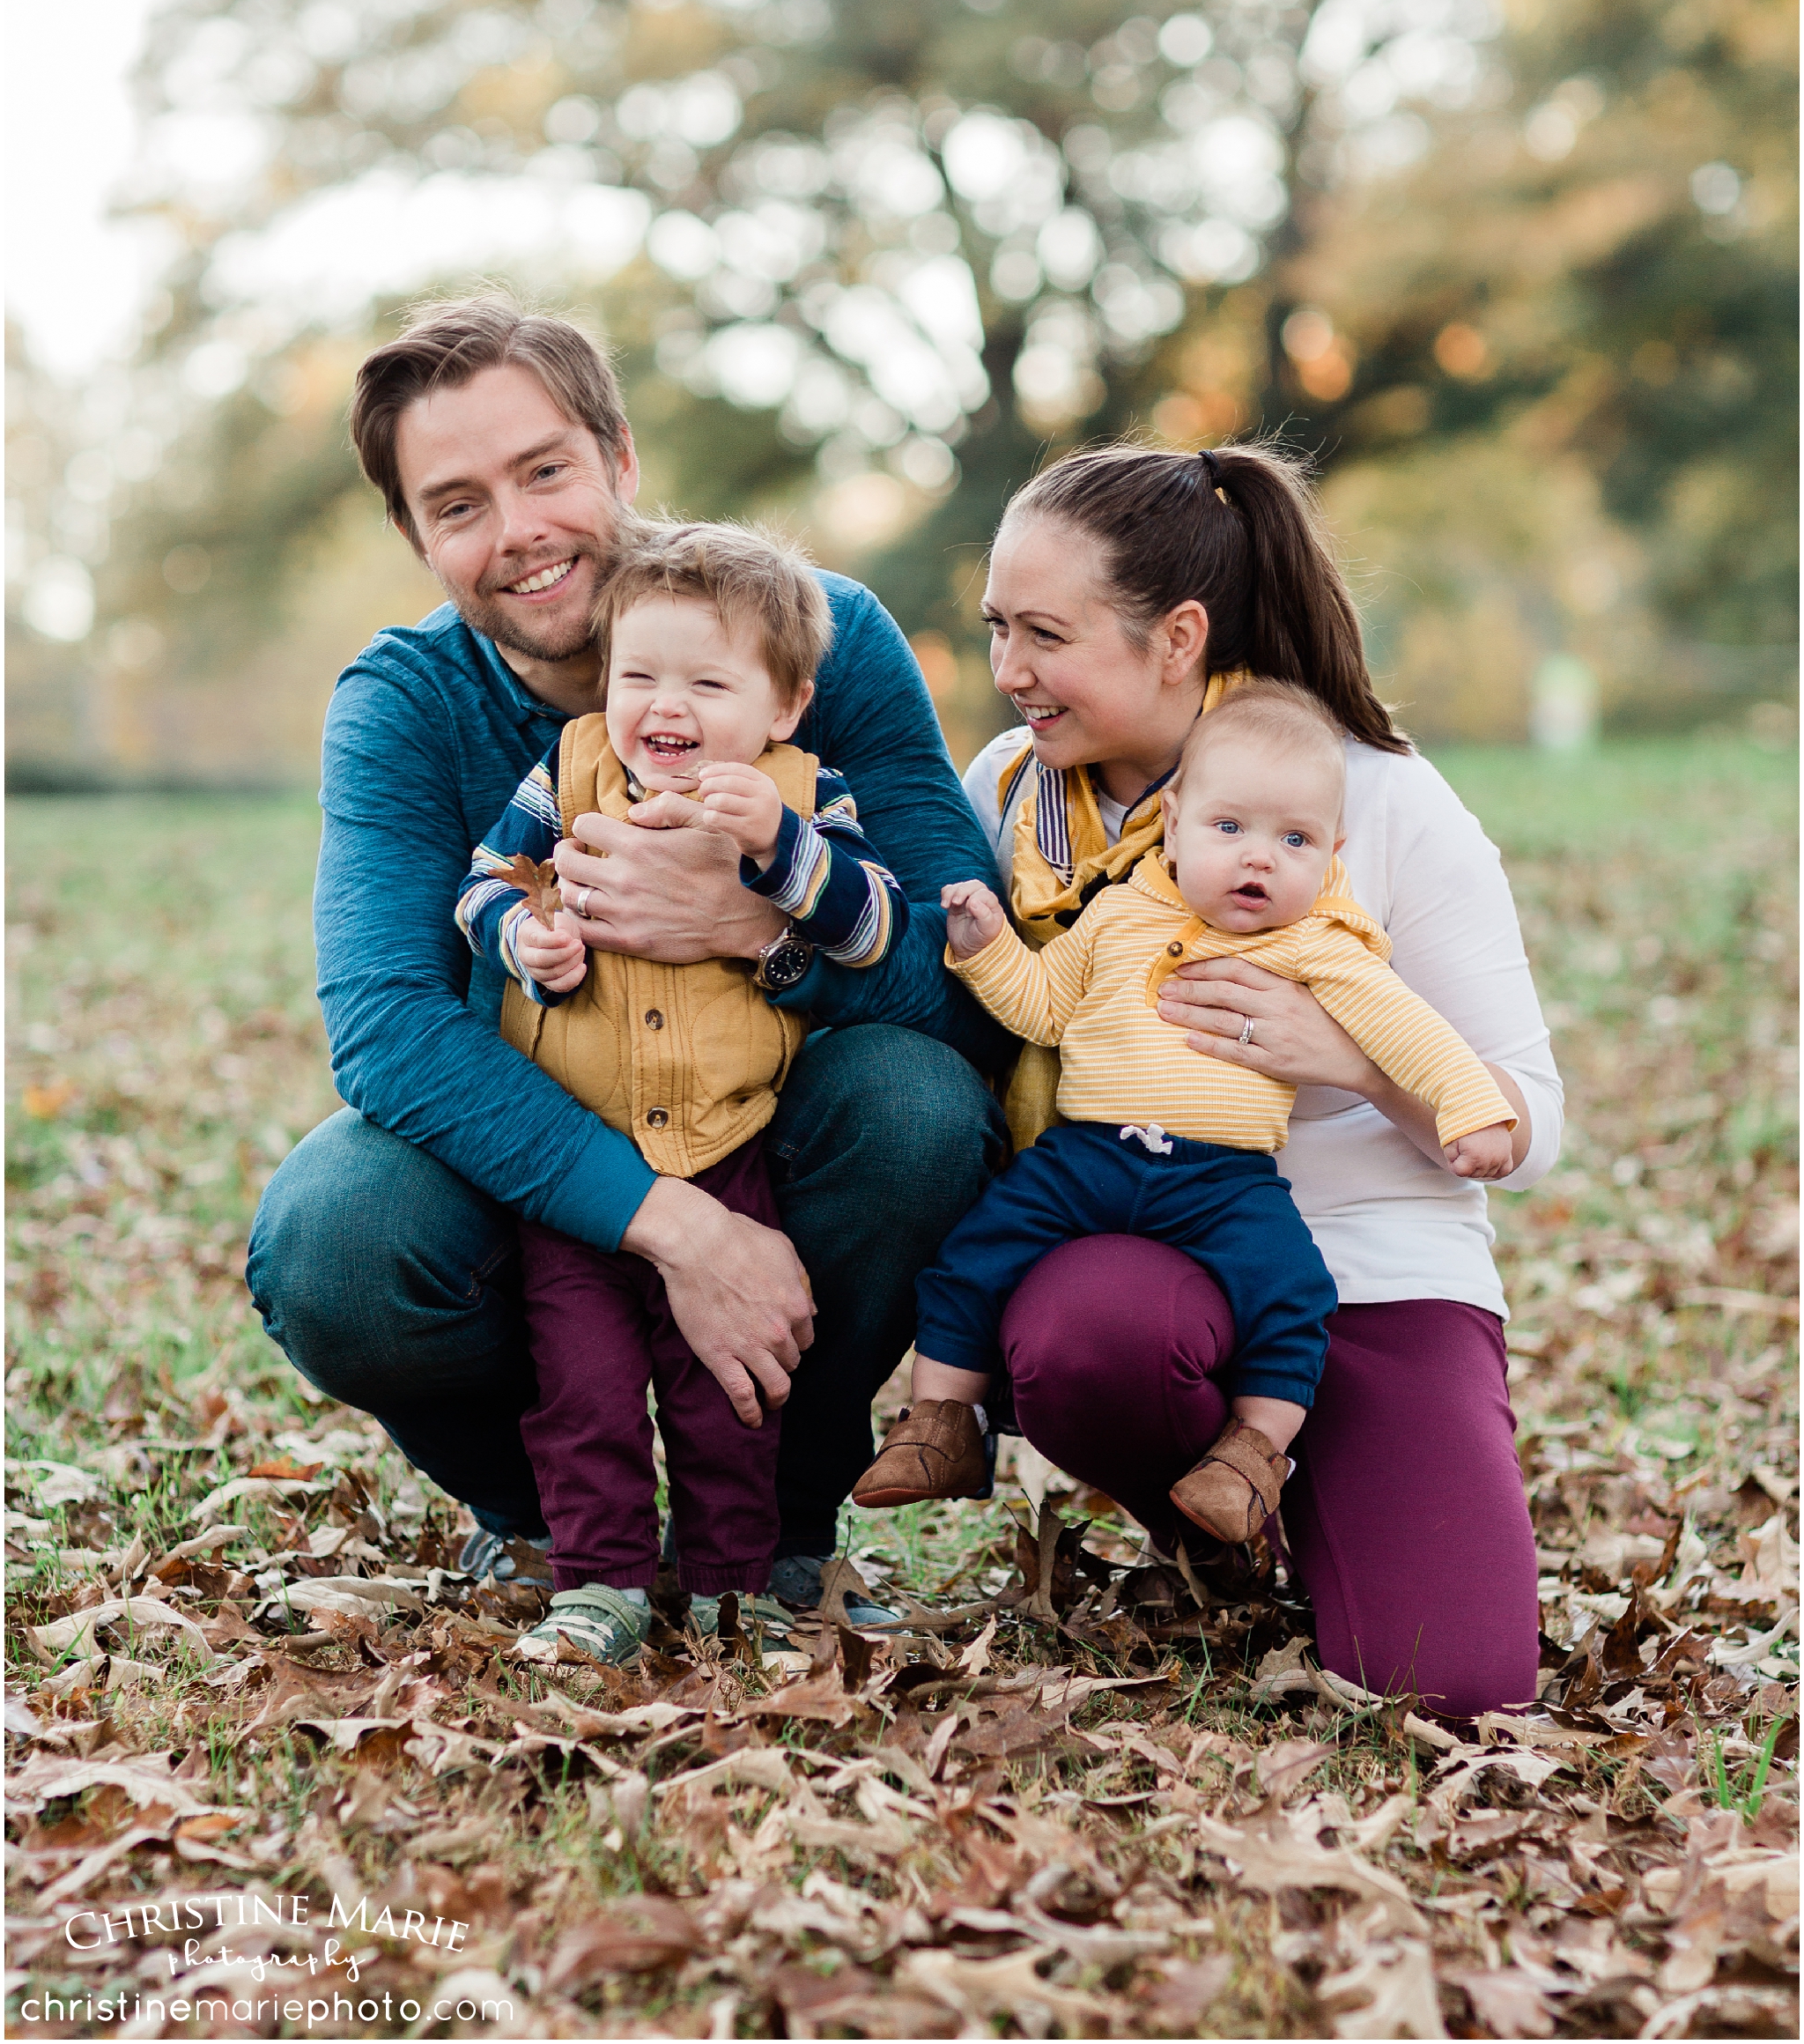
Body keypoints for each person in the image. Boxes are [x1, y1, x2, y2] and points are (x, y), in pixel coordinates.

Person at [245, 295, 1009, 1621]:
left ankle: (778, 1529)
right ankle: (551, 1529)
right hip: (536, 1166)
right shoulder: (404, 701)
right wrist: (674, 1230)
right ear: (418, 538)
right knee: (336, 1236)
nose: (521, 531)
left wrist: (759, 933)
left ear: (620, 458)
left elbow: (969, 972)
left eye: (545, 470)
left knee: (919, 1105)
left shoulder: (820, 637)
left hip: (765, 1124)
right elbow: (382, 1028)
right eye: (460, 502)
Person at [943, 441, 1562, 1720]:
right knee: (1087, 1338)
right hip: (1142, 1239)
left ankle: (1320, 1492)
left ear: (1176, 637)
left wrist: (1344, 1060)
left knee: (1451, 1686)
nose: (1010, 673)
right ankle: (1218, 1514)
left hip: (1374, 1270)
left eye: (1046, 635)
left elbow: (1528, 1116)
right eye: (999, 628)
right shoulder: (1011, 793)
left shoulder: (1376, 799)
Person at [853, 680, 1519, 1544]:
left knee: (1288, 1291)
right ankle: (940, 1423)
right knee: (971, 1256)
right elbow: (1044, 1008)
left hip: (1219, 1175)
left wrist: (1468, 1107)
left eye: (1293, 839)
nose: (1258, 859)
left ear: (1331, 853)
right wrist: (986, 951)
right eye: (1229, 827)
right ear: (1172, 823)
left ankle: (1247, 1459)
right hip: (1084, 1159)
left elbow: (1411, 1032)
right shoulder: (1121, 911)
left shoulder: (1316, 941)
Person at [456, 518, 908, 1663]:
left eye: (707, 681)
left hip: (727, 1140)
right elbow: (484, 883)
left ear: (783, 706)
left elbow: (872, 926)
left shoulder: (807, 792)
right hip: (578, 1163)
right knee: (586, 1388)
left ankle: (733, 1582)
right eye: (637, 675)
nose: (665, 704)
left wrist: (782, 853)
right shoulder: (567, 774)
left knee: (729, 1388)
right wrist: (523, 940)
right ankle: (599, 1579)